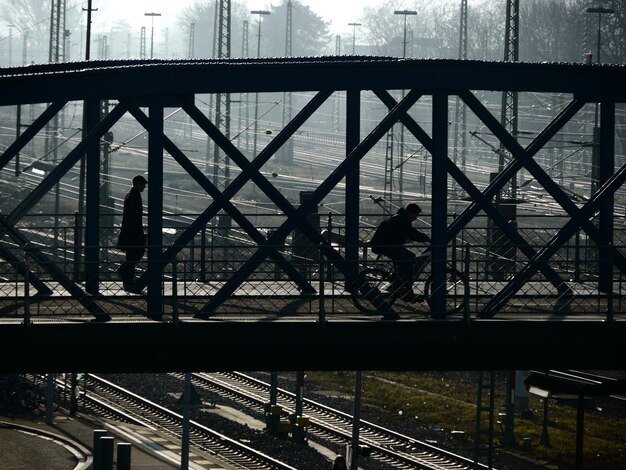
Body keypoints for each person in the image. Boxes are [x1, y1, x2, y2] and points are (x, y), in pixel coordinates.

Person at [369, 202, 430, 301]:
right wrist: (426, 238)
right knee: (408, 264)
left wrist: (424, 238)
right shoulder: (402, 220)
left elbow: (410, 232)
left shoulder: (401, 218)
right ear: (410, 213)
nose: (416, 218)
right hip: (387, 246)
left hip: (387, 245)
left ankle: (397, 282)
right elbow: (411, 233)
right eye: (416, 215)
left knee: (410, 257)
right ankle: (407, 293)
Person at [116, 175, 147, 292]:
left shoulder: (131, 194)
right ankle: (127, 277)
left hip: (130, 231)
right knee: (137, 252)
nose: (144, 186)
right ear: (137, 184)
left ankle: (127, 278)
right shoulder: (134, 196)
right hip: (133, 232)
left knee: (132, 254)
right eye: (143, 184)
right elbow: (135, 216)